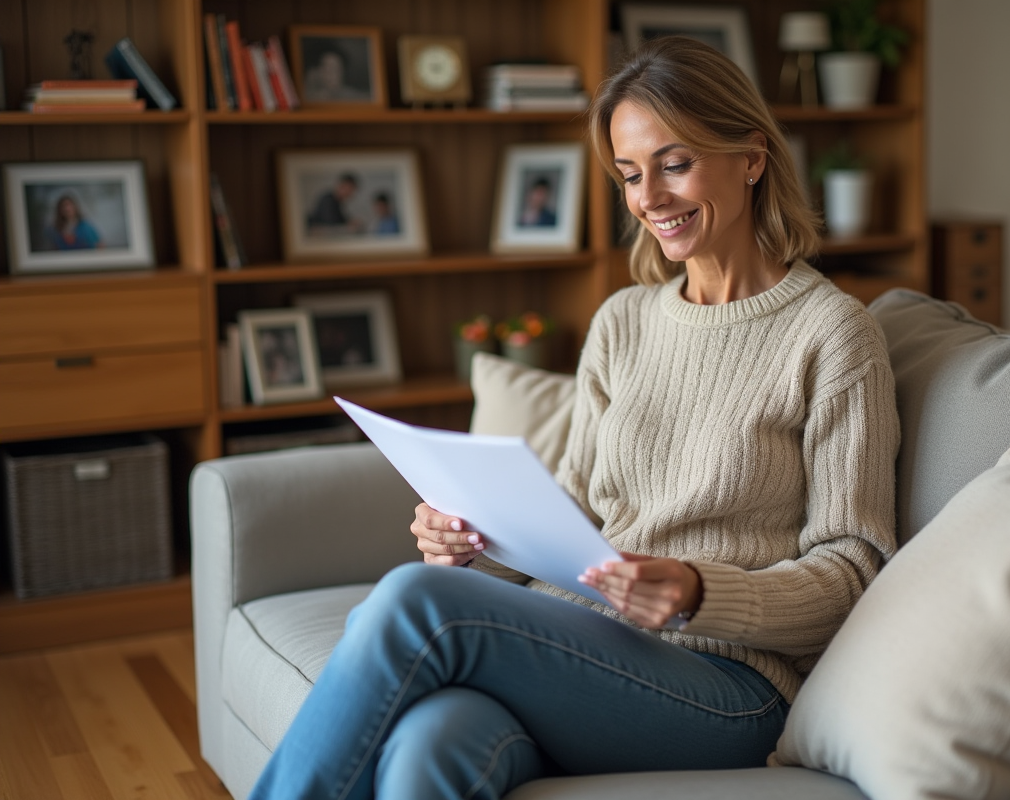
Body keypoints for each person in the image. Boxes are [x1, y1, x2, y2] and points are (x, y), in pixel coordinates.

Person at [249, 35, 900, 800]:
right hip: (586, 642)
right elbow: (574, 518)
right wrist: (472, 546)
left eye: (675, 163)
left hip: (728, 684)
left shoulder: (833, 334)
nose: (650, 198)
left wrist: (699, 591)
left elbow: (852, 571)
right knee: (434, 742)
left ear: (752, 158)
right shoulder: (623, 321)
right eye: (630, 174)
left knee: (411, 601)